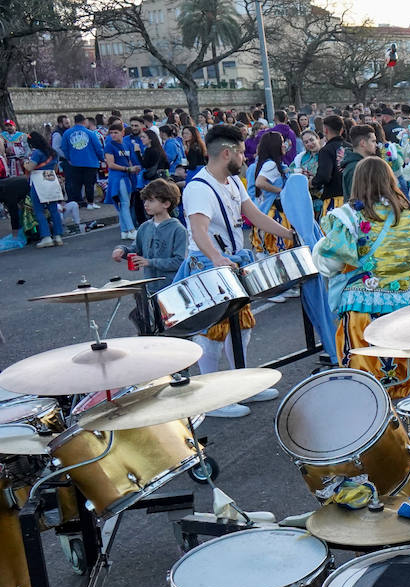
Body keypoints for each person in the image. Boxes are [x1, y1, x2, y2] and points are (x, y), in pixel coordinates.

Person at [175, 124, 293, 416]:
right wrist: (216, 258)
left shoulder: (234, 183)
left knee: (241, 327)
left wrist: (291, 235)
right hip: (208, 264)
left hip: (230, 261)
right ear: (226, 153)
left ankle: (240, 386)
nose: (245, 158)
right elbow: (199, 231)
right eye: (241, 153)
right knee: (211, 333)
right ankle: (211, 398)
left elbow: (253, 215)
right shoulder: (199, 188)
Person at [313, 156, 410, 399]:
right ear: (391, 180)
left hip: (363, 312)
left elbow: (330, 264)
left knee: (368, 389)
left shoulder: (348, 218)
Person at [111, 178, 188, 332]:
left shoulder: (178, 230)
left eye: (151, 200)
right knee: (152, 332)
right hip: (150, 289)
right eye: (145, 199)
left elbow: (180, 261)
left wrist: (150, 262)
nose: (146, 204)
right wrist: (122, 251)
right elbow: (136, 250)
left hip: (170, 289)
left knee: (175, 332)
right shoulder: (144, 228)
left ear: (166, 204)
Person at [249, 131, 292, 253]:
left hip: (264, 215)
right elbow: (260, 183)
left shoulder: (261, 164)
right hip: (274, 216)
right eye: (282, 142)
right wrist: (281, 191)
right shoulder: (271, 165)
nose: (285, 145)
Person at [24, 131, 65, 248]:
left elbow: (30, 167)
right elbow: (56, 168)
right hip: (51, 179)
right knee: (53, 209)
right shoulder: (53, 152)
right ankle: (58, 236)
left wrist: (25, 163)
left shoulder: (37, 153)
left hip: (38, 181)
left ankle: (46, 236)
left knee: (39, 210)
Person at [104, 122, 140, 240]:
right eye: (111, 133)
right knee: (124, 203)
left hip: (126, 176)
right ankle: (130, 229)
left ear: (122, 132)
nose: (113, 135)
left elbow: (127, 160)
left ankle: (124, 231)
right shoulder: (109, 145)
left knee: (124, 203)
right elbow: (111, 164)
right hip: (117, 177)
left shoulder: (125, 145)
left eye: (116, 132)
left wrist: (132, 169)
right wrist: (128, 169)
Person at [60, 114, 103, 209]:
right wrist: (102, 158)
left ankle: (78, 202)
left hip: (75, 163)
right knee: (89, 184)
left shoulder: (67, 133)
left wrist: (69, 158)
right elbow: (98, 148)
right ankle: (90, 203)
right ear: (84, 121)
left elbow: (64, 148)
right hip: (91, 162)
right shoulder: (91, 133)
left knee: (76, 184)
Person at [312, 115, 349, 217]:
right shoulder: (350, 147)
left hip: (334, 201)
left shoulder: (326, 150)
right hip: (352, 200)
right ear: (341, 130)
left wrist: (312, 182)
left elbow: (324, 176)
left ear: (326, 130)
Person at [341, 123, 377, 198]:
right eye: (373, 141)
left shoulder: (361, 163)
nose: (376, 145)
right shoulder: (355, 167)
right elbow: (357, 200)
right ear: (363, 143)